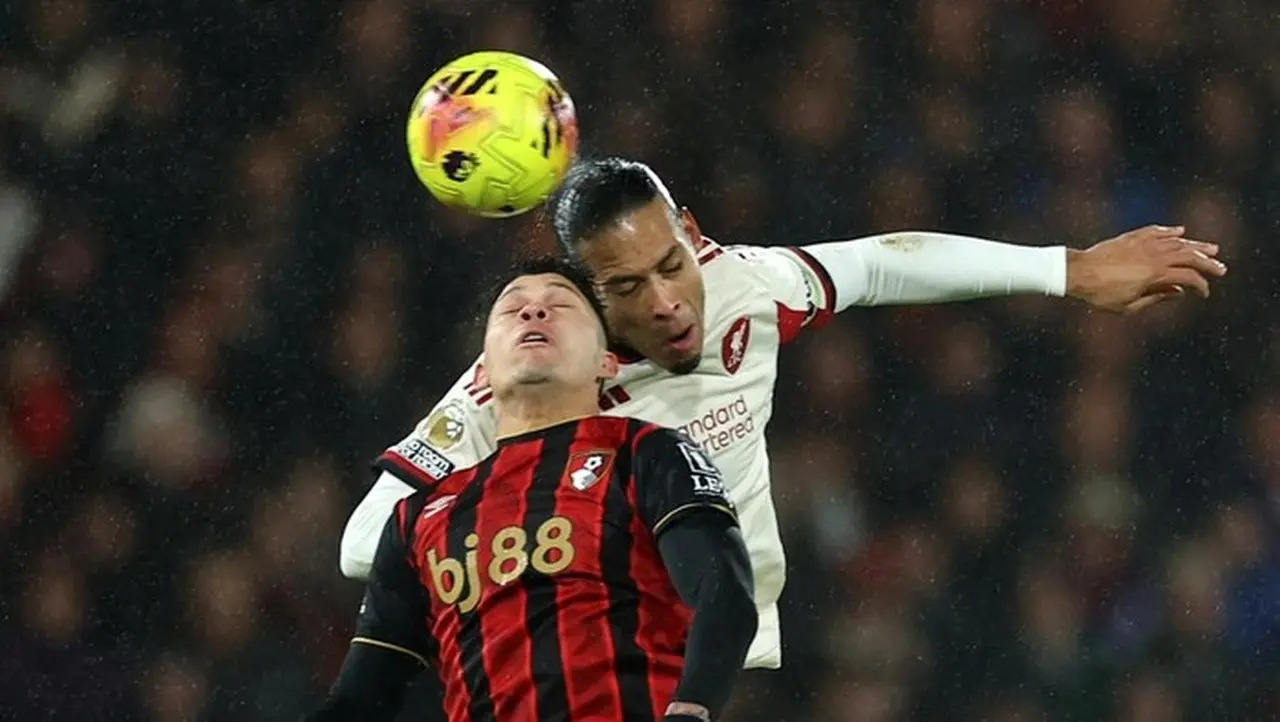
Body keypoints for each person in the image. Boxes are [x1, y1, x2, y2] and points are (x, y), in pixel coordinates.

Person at [342, 156, 1228, 670]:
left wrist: (1067, 270)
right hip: (607, 668)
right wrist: (527, 537)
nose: (669, 302)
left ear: (692, 232)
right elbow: (361, 541)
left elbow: (882, 263)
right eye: (626, 288)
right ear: (584, 294)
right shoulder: (529, 371)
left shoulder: (746, 287)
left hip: (750, 649)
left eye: (672, 263)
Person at [308, 257, 756, 722]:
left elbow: (724, 592)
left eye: (560, 305)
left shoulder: (646, 454)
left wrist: (691, 711)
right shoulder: (416, 519)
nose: (534, 313)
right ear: (480, 375)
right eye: (512, 308)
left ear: (607, 363)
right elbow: (362, 695)